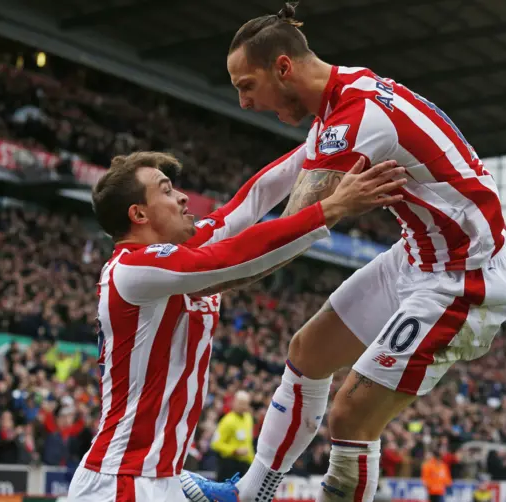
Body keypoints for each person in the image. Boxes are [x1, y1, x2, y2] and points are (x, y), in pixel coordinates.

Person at [182, 3, 506, 502]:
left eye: (246, 86)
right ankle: (252, 493)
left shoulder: (358, 119)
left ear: (283, 67)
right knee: (308, 353)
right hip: (418, 256)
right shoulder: (346, 93)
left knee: (350, 416)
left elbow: (288, 237)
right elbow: (275, 179)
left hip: (462, 280)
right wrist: (206, 233)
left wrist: (189, 279)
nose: (244, 103)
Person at [66, 151, 406, 502]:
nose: (182, 197)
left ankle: (251, 489)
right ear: (138, 214)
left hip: (156, 478)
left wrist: (323, 141)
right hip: (122, 482)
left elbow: (251, 200)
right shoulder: (132, 268)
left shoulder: (178, 253)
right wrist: (332, 208)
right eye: (166, 191)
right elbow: (234, 257)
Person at [211, 390, 255, 481]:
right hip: (229, 465)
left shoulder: (248, 418)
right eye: (241, 403)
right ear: (234, 403)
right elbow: (215, 444)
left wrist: (252, 461)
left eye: (246, 404)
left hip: (245, 465)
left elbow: (248, 443)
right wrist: (234, 451)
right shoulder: (227, 421)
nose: (243, 406)